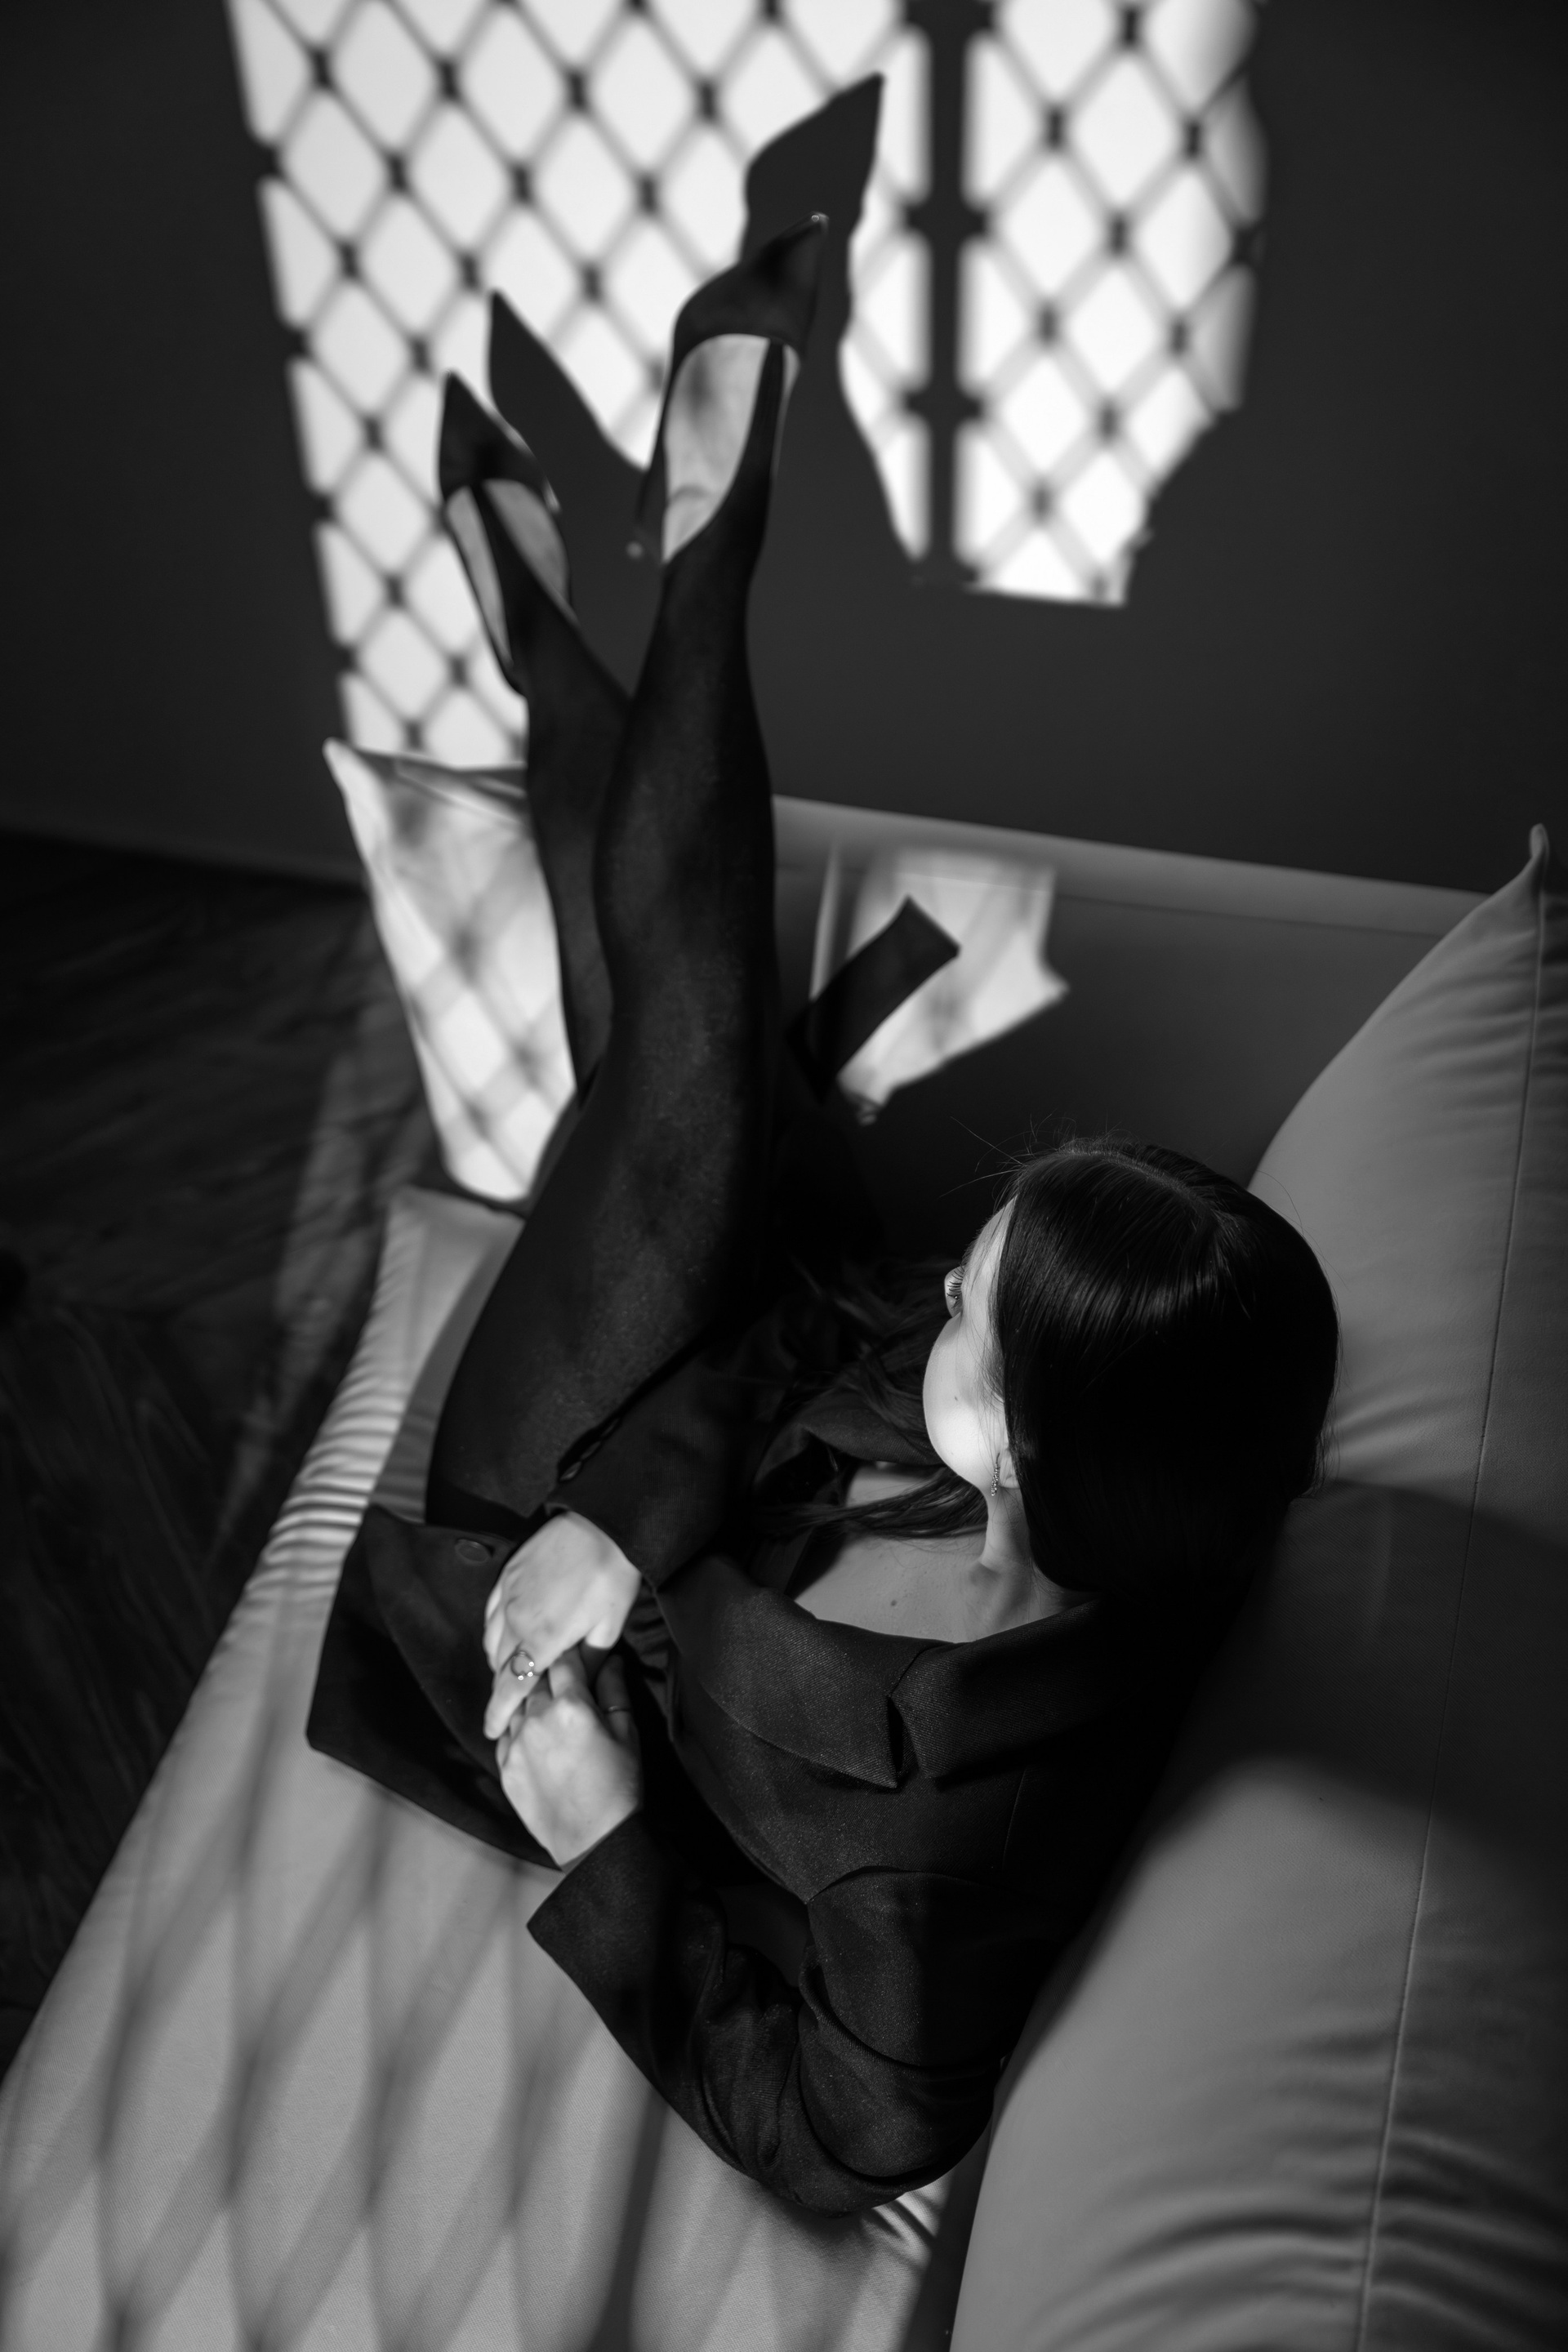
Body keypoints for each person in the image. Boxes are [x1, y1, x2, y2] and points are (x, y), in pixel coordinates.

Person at [309, 216, 1340, 2215]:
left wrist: (606, 1826)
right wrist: (647, 1516)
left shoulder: (956, 1838)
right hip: (670, 1454)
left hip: (531, 1550)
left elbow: (841, 2131)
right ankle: (626, 578)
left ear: (1027, 1453)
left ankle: (633, 575)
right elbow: (834, 1322)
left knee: (680, 1037)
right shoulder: (1151, 1433)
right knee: (681, 1042)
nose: (933, 1293)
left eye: (969, 1315)